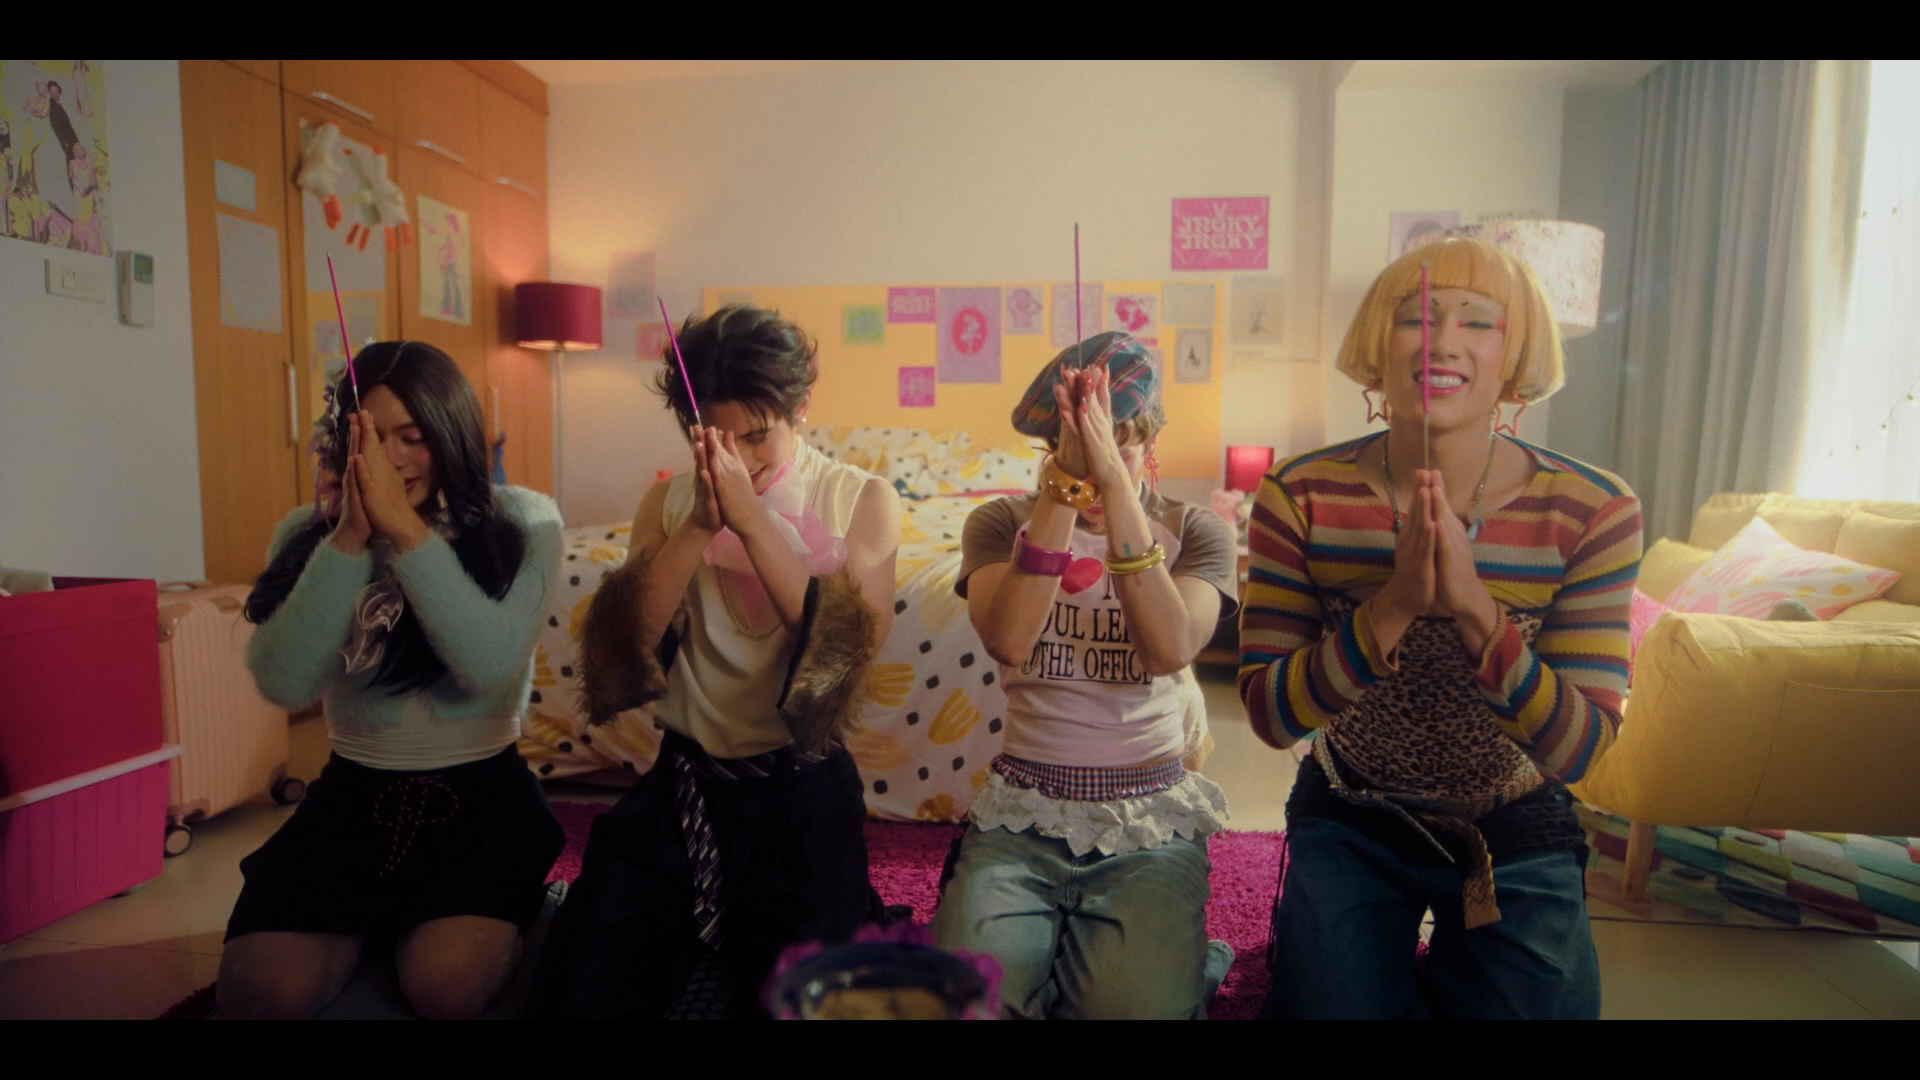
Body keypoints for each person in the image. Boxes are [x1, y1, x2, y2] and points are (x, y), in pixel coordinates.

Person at [1239, 237, 1643, 1019]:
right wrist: (1392, 604)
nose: (1443, 341)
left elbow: (1581, 749)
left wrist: (1474, 608)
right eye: (1415, 318)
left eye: (1478, 322)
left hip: (1514, 819)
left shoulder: (1593, 509)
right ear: (1378, 347)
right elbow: (1271, 716)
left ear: (1514, 357)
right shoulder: (1299, 494)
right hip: (1352, 811)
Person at [530, 305, 901, 1018]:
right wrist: (700, 524)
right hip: (686, 784)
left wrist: (753, 524)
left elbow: (848, 656)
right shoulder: (668, 503)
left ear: (802, 406)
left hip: (800, 788)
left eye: (758, 437)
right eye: (715, 437)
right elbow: (625, 646)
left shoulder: (861, 499)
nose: (740, 460)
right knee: (581, 983)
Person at [219, 342, 565, 1019]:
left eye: (413, 436)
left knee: (444, 987)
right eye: (370, 436)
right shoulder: (306, 532)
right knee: (261, 994)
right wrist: (348, 541)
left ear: (452, 432)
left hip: (479, 796)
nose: (392, 459)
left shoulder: (525, 521)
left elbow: (489, 664)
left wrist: (405, 533)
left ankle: (499, 920)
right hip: (352, 797)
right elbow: (284, 681)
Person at [930, 332, 1240, 1019]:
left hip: (1146, 820)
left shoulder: (1198, 532)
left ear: (1150, 443)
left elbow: (1167, 649)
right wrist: (1062, 492)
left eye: (1118, 451)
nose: (1096, 478)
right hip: (1023, 815)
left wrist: (1116, 485)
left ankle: (1184, 961)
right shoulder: (1000, 523)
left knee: (1129, 1011)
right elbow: (1008, 640)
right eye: (1072, 453)